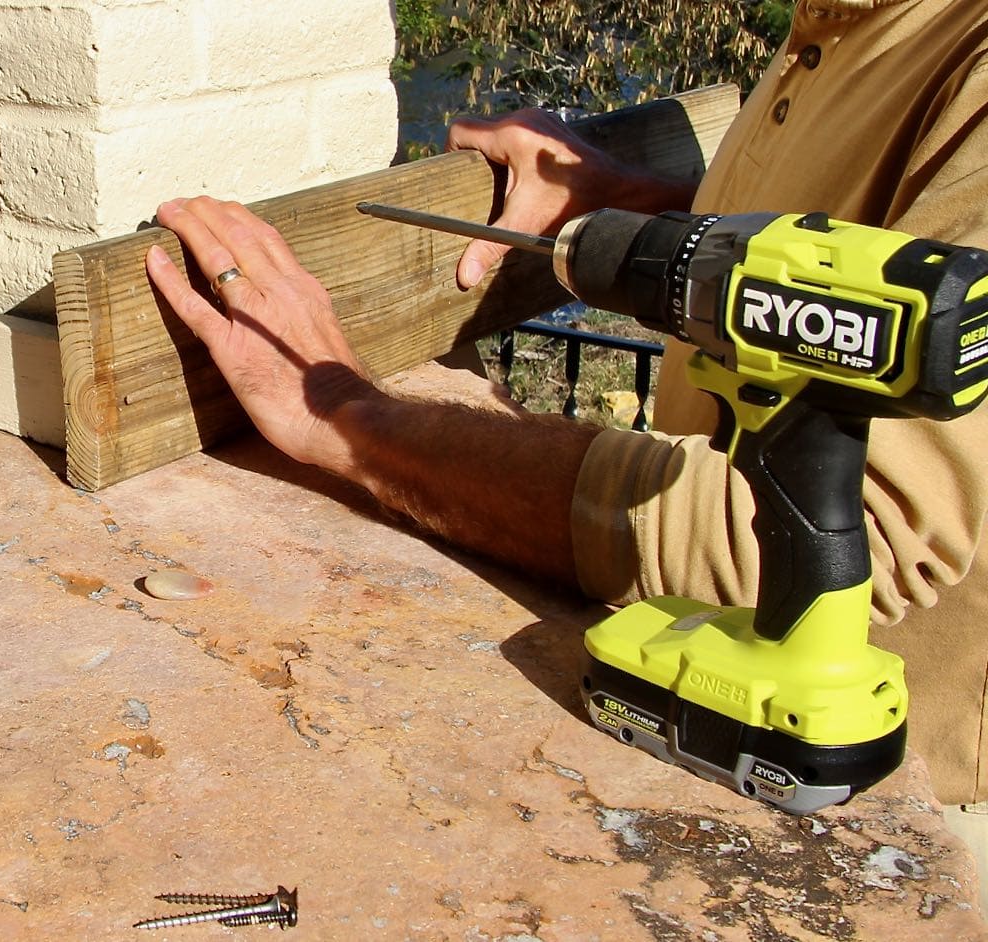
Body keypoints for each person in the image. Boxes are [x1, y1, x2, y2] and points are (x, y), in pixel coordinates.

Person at [145, 0, 988, 830]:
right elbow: (849, 268)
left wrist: (348, 412)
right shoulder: (851, 18)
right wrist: (665, 223)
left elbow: (843, 536)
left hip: (881, 806)